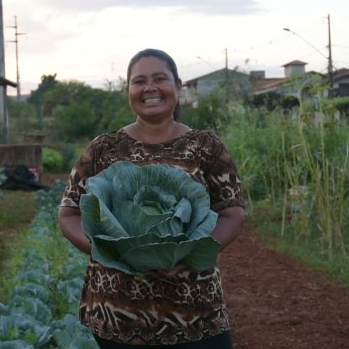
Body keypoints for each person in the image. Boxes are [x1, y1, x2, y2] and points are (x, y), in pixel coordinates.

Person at [58, 48, 245, 348]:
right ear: (128, 90)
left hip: (194, 311)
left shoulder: (206, 147)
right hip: (117, 313)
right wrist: (113, 251)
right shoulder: (103, 149)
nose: (150, 88)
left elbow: (231, 213)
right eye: (139, 81)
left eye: (160, 78)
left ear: (178, 86)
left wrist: (189, 255)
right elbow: (68, 213)